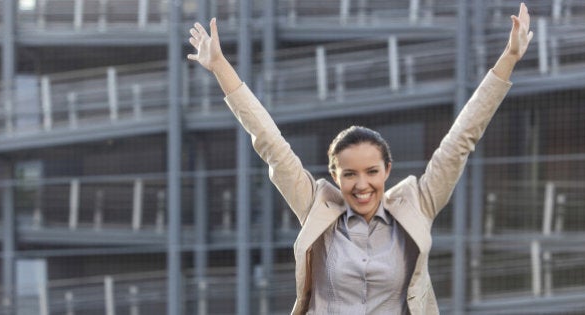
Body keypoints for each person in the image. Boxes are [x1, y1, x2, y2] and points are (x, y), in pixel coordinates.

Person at [188, 3, 533, 314]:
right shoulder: (316, 206)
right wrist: (219, 66)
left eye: (371, 171)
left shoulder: (418, 204)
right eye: (350, 174)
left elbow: (462, 139)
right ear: (335, 176)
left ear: (388, 171)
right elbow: (269, 142)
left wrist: (509, 58)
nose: (362, 184)